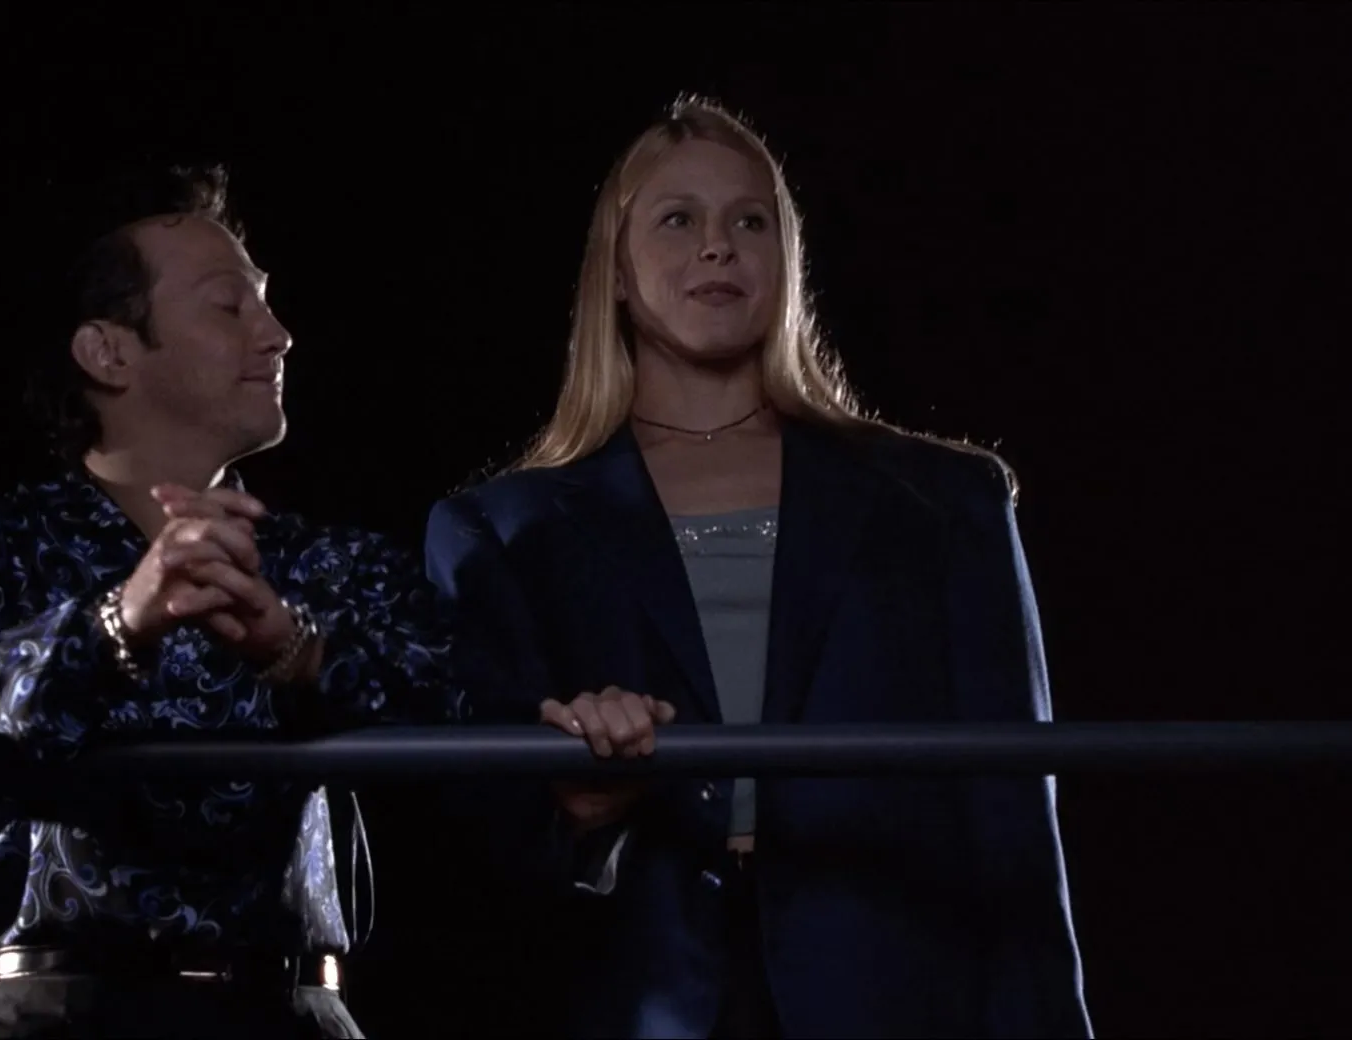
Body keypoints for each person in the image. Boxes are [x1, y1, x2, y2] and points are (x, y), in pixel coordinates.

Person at [424, 96, 1092, 1038]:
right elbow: (482, 853)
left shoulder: (943, 502)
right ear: (614, 273)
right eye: (677, 219)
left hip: (896, 992)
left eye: (750, 221)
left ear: (788, 261)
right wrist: (583, 797)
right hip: (634, 998)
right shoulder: (500, 530)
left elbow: (1015, 816)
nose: (717, 246)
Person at [0, 165, 466, 1039]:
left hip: (292, 1013)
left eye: (267, 306)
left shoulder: (326, 563)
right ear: (109, 353)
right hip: (61, 1014)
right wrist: (116, 626)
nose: (278, 335)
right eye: (229, 306)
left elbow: (460, 701)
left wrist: (299, 654)